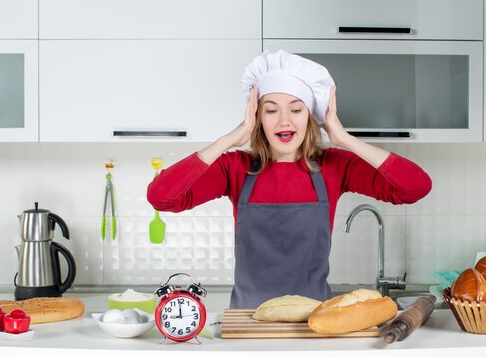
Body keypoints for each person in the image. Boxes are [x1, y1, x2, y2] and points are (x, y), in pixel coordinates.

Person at [147, 50, 432, 308]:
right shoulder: (234, 168)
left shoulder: (334, 166)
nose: (284, 120)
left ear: (309, 116)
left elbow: (415, 187)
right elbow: (162, 197)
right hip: (248, 321)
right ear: (257, 118)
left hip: (314, 321)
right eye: (271, 110)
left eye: (296, 109)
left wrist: (343, 137)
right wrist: (231, 138)